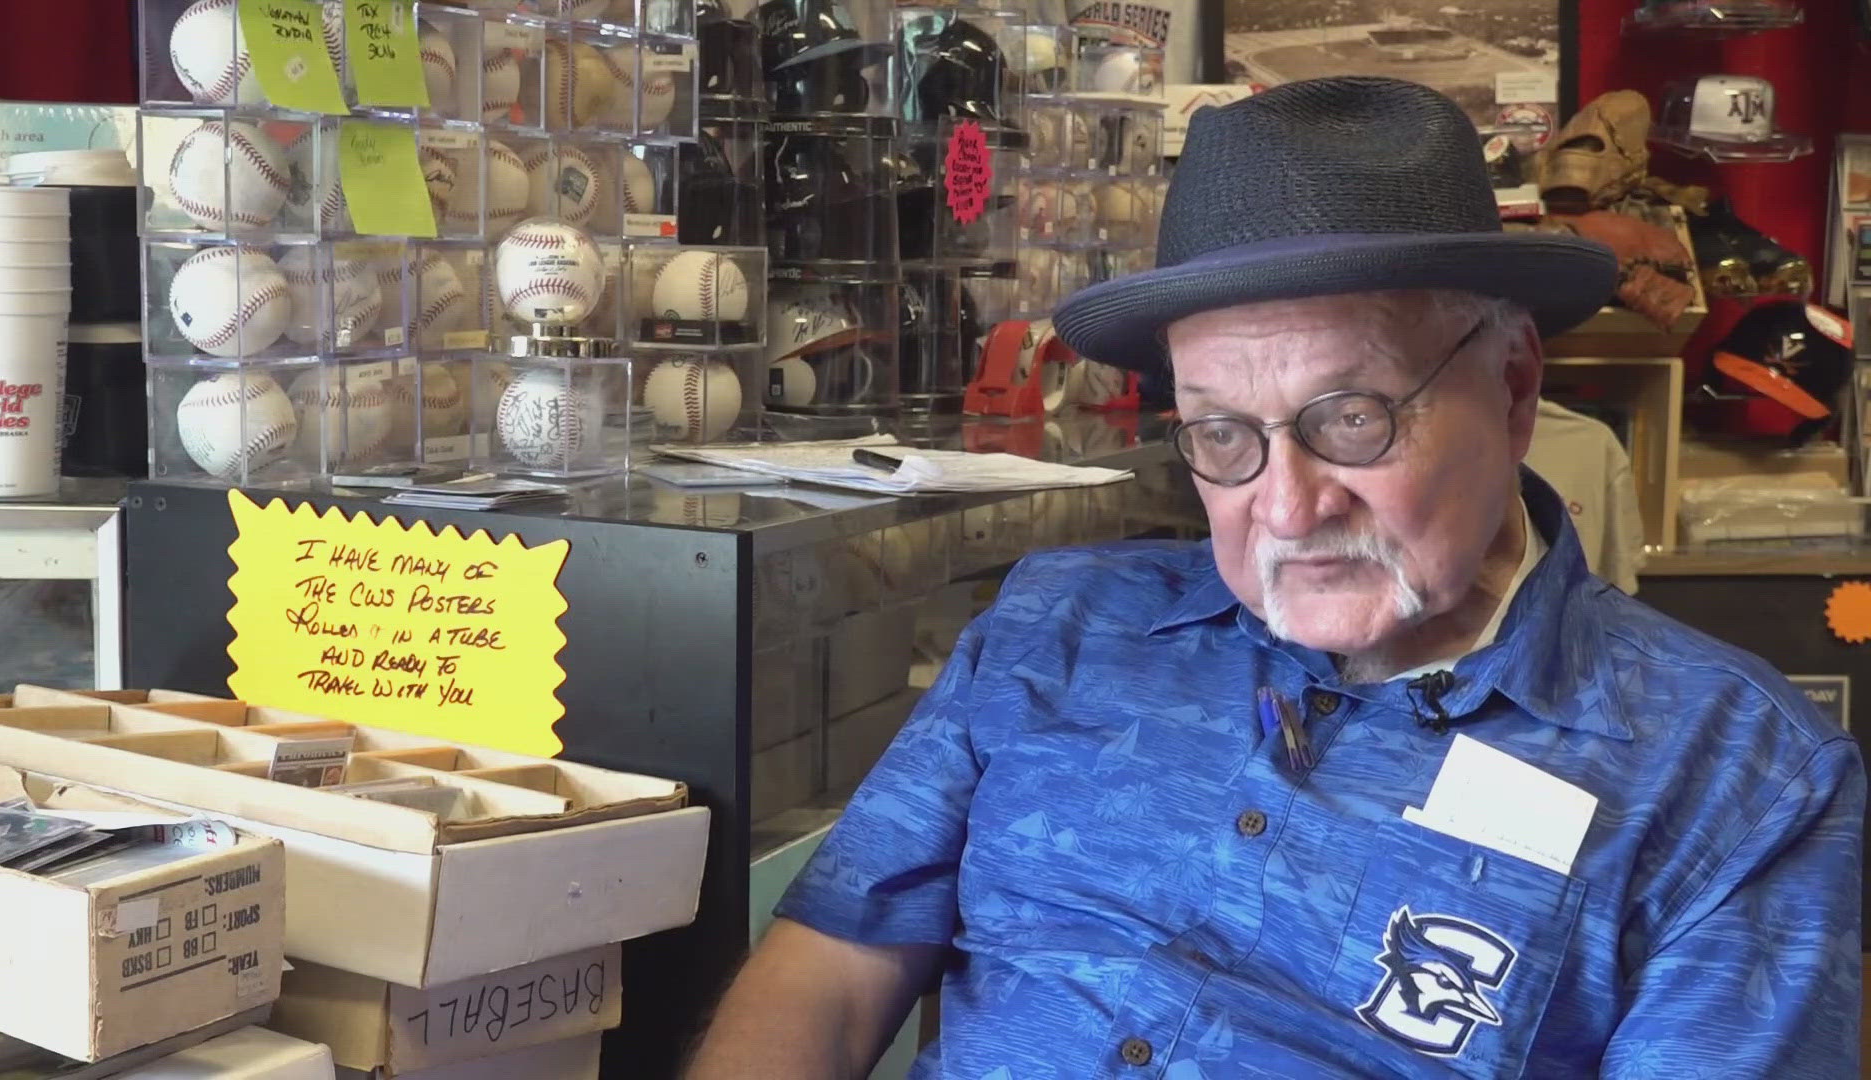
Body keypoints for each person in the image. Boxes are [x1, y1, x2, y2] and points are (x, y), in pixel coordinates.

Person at [686, 77, 1864, 1078]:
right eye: (1222, 436)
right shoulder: (1055, 629)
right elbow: (830, 977)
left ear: (1512, 389)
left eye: (1350, 417)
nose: (1289, 507)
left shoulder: (1736, 781)